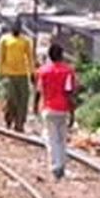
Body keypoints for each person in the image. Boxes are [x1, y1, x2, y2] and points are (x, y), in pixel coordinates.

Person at [35, 43, 77, 180]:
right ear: (61, 55)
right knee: (62, 139)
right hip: (63, 109)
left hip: (48, 108)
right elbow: (69, 92)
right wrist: (72, 113)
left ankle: (55, 166)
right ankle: (62, 165)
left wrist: (35, 106)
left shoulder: (43, 71)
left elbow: (39, 91)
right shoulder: (68, 71)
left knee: (51, 138)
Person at [0, 22, 35, 132]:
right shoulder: (4, 40)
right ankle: (9, 118)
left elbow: (30, 58)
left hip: (22, 74)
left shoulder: (26, 41)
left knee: (23, 99)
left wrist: (32, 73)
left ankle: (20, 123)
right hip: (8, 74)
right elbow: (0, 57)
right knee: (11, 98)